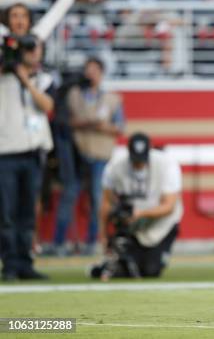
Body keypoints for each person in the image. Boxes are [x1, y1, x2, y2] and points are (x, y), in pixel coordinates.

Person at [0, 22, 54, 280]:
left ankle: (25, 262)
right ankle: (10, 264)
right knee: (7, 213)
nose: (33, 53)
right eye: (28, 49)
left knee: (28, 212)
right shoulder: (4, 76)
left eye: (36, 48)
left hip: (34, 153)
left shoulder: (44, 78)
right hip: (6, 152)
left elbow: (46, 106)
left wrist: (26, 79)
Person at [55, 57, 124, 255]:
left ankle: (92, 242)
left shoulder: (112, 98)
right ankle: (58, 243)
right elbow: (64, 121)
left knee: (97, 198)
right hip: (76, 153)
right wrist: (87, 124)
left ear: (101, 73)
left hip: (100, 154)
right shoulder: (74, 94)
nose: (90, 73)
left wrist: (102, 126)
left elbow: (119, 127)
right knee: (69, 196)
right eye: (88, 69)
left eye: (94, 69)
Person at [90, 133, 183, 279]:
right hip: (133, 225)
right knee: (136, 265)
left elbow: (169, 206)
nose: (138, 164)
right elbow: (107, 202)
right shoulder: (115, 167)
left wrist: (140, 213)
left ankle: (117, 266)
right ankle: (115, 263)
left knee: (151, 269)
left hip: (160, 226)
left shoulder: (167, 165)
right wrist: (103, 236)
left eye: (142, 160)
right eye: (135, 160)